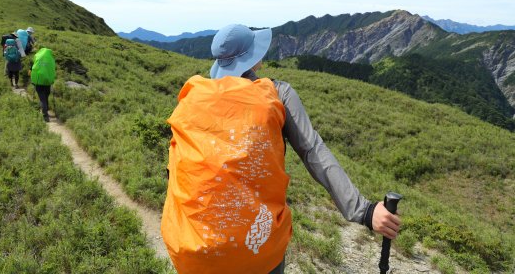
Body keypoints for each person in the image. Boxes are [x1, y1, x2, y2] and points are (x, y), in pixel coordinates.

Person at [161, 24, 401, 274]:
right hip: (256, 251)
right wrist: (364, 211)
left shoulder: (192, 98)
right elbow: (313, 151)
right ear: (255, 58)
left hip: (192, 249)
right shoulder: (278, 93)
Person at [30, 47, 56, 122]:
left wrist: (33, 80)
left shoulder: (37, 57)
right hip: (47, 81)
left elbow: (33, 67)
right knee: (45, 96)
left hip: (38, 81)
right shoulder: (51, 59)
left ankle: (45, 115)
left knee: (42, 98)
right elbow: (53, 70)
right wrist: (52, 80)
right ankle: (46, 110)